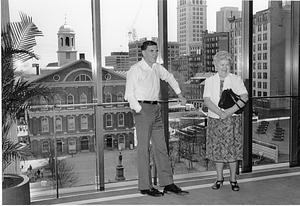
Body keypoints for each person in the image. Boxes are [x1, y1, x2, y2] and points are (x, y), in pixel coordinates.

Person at [125, 40, 189, 197]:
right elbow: (129, 95)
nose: (155, 54)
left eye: (156, 51)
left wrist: (180, 94)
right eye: (152, 51)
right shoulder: (136, 69)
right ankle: (145, 186)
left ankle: (167, 183)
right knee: (143, 149)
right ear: (143, 53)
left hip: (156, 109)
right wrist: (140, 110)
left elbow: (170, 78)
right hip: (143, 110)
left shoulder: (156, 68)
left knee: (161, 147)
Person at [203, 51, 248, 192]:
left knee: (232, 151)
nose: (224, 67)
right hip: (215, 120)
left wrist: (229, 112)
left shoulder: (236, 79)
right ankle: (219, 178)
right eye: (222, 65)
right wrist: (220, 113)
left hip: (232, 121)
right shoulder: (210, 81)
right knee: (218, 151)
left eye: (227, 65)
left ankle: (233, 179)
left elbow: (245, 97)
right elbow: (207, 100)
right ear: (216, 66)